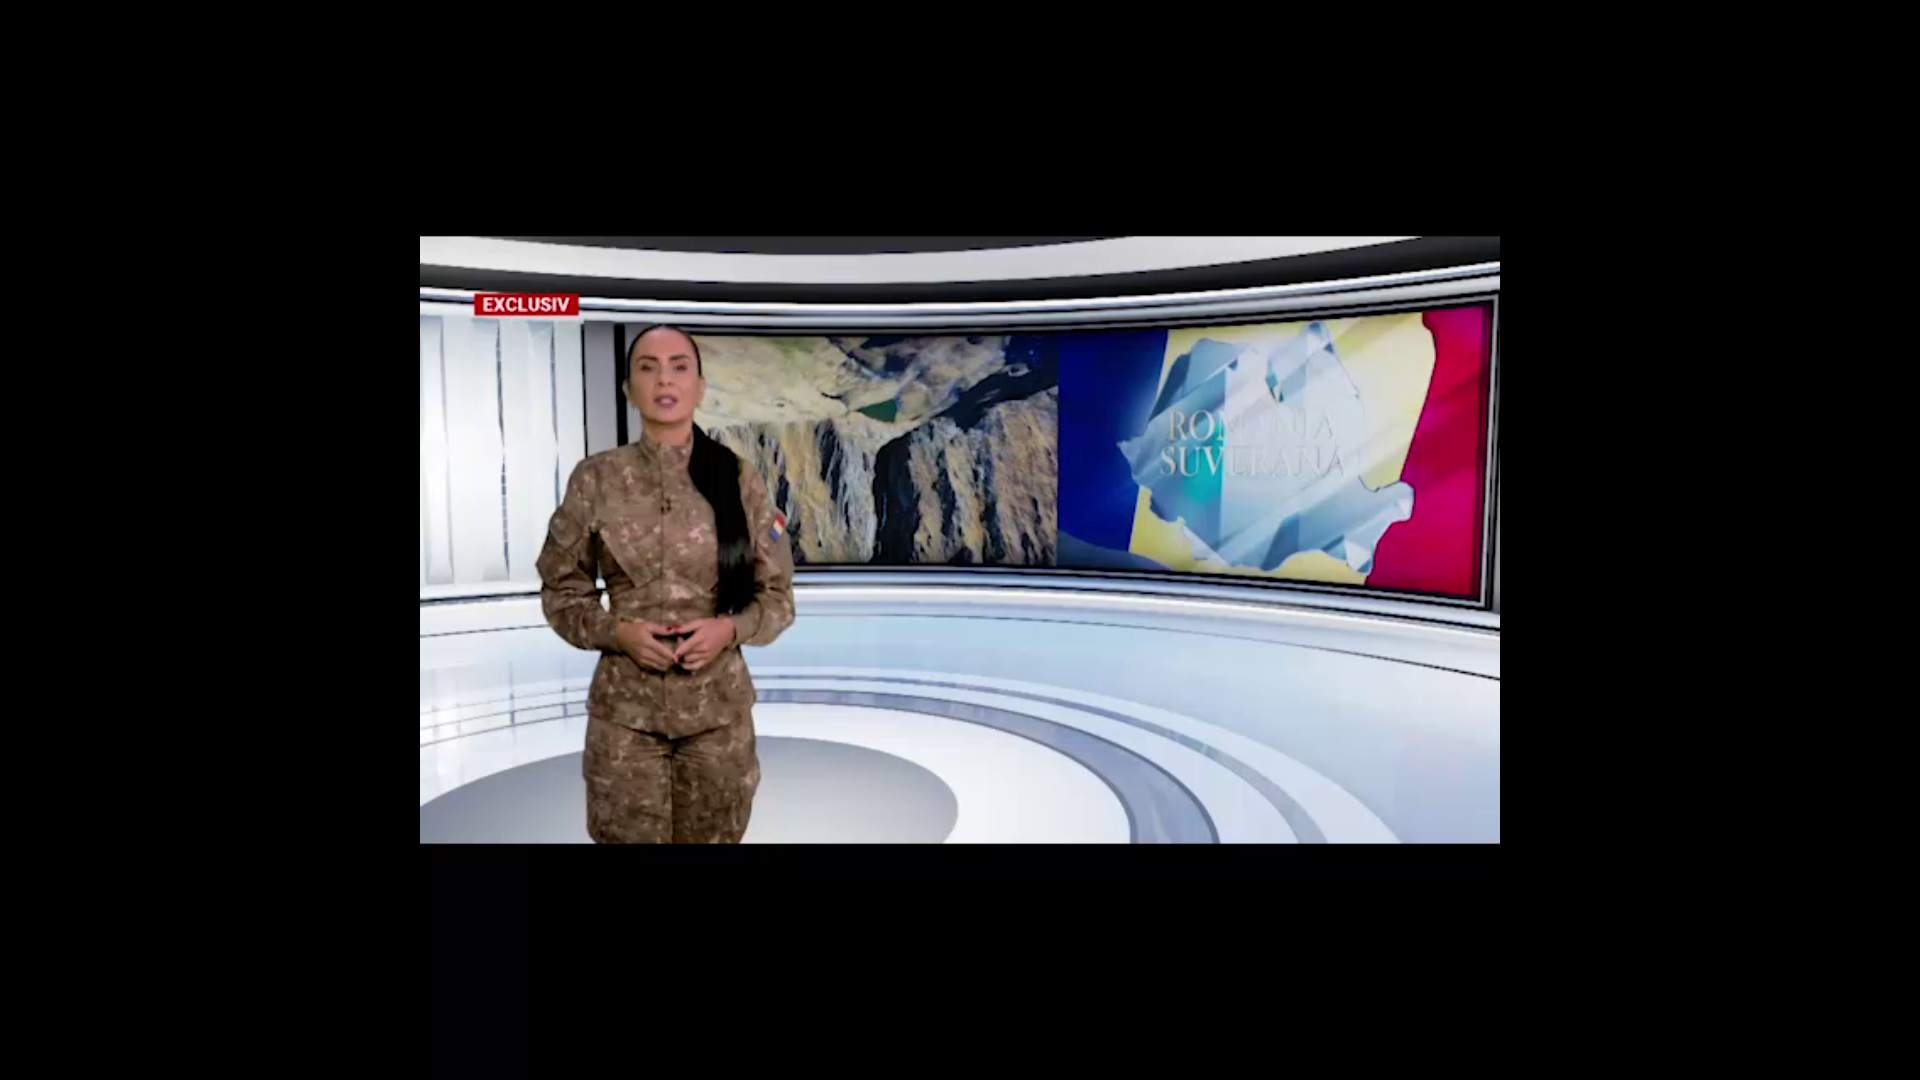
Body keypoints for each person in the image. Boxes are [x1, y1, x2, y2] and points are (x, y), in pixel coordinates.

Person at [536, 325, 795, 843]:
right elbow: (561, 591)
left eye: (680, 367)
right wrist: (616, 633)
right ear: (629, 390)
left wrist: (729, 630)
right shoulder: (596, 480)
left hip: (717, 718)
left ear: (700, 388)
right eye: (647, 368)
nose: (664, 380)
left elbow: (777, 598)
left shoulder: (738, 478)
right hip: (625, 721)